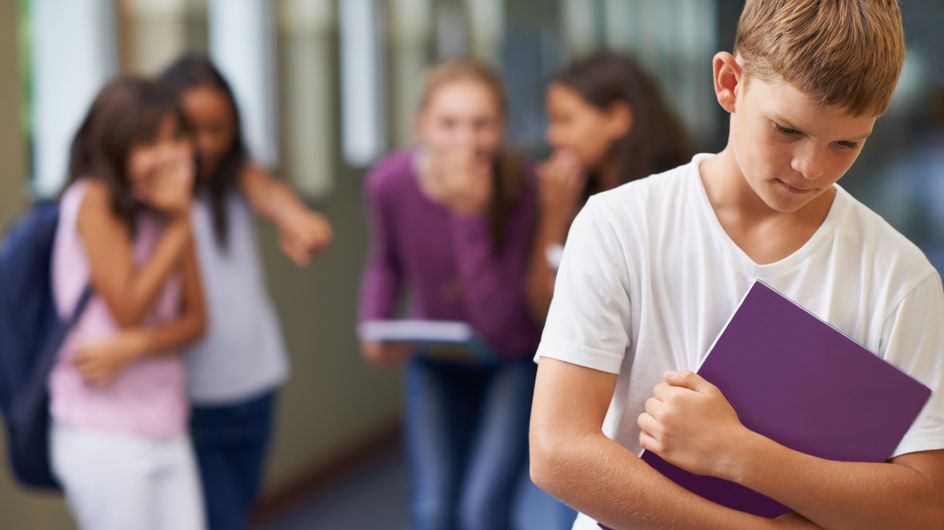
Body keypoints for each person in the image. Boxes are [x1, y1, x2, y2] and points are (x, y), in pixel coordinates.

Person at [529, 1, 944, 529]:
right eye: (786, 130)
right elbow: (558, 452)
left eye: (846, 143)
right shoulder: (619, 225)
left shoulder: (901, 279)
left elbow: (927, 505)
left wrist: (739, 454)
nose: (810, 168)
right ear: (729, 82)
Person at [357, 58, 541, 530]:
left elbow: (497, 320)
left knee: (482, 510)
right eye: (449, 124)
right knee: (432, 508)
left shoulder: (523, 186)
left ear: (502, 126)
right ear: (420, 126)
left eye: (482, 124)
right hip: (435, 357)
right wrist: (374, 320)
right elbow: (386, 261)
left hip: (509, 360)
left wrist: (468, 214)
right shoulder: (388, 182)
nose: (466, 141)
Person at [159, 53, 333, 530]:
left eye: (220, 129)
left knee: (238, 511)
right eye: (191, 129)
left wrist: (299, 221)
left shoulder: (237, 175)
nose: (207, 144)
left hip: (256, 385)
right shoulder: (155, 196)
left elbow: (272, 195)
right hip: (191, 396)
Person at [49, 77, 207, 530]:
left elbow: (197, 321)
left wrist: (133, 348)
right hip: (103, 430)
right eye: (149, 142)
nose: (171, 154)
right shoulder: (93, 201)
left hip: (165, 419)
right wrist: (181, 223)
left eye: (176, 137)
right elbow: (129, 308)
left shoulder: (169, 211)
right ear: (114, 147)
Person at [527, 51, 693, 325]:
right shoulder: (568, 193)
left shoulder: (672, 198)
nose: (552, 135)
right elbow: (542, 307)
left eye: (565, 120)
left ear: (617, 118)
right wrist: (553, 215)